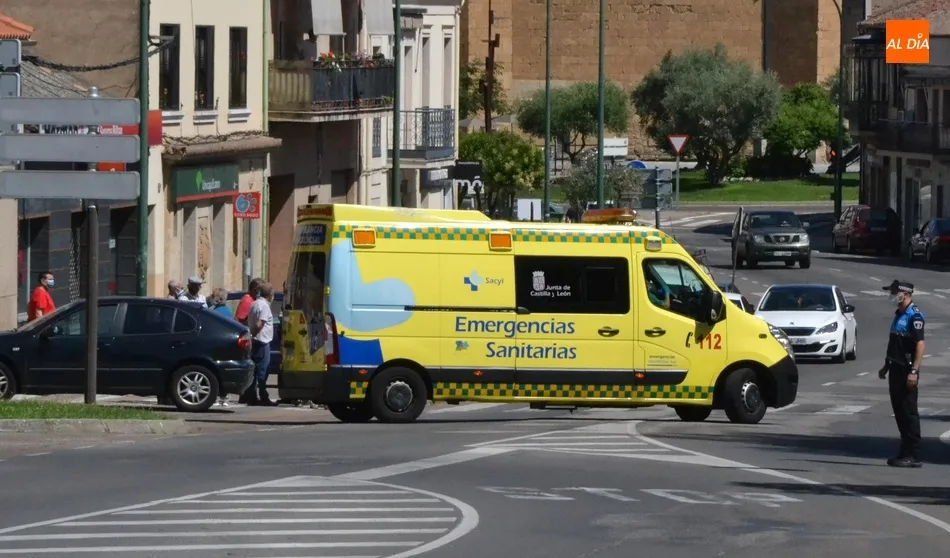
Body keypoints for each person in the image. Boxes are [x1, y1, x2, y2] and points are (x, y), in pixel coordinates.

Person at [878, 279, 925, 468]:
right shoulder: (899, 314)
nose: (891, 295)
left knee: (908, 412)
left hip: (907, 370)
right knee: (899, 411)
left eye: (894, 292)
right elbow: (895, 345)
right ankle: (904, 450)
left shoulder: (915, 316)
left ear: (905, 293)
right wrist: (886, 366)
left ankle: (913, 453)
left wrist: (914, 370)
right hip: (895, 368)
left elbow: (920, 345)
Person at [246, 282, 277, 406]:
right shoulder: (264, 306)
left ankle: (251, 396)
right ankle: (263, 396)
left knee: (254, 370)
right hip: (262, 341)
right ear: (270, 294)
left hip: (256, 341)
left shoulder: (254, 303)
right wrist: (253, 334)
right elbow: (259, 324)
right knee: (262, 371)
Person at [208, 288, 234, 407]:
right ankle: (224, 396)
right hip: (226, 345)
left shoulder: (212, 312)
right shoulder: (228, 312)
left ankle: (216, 395)